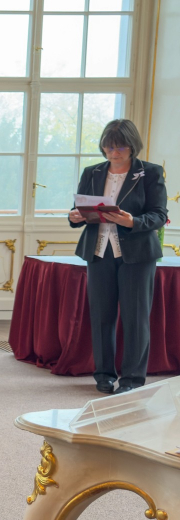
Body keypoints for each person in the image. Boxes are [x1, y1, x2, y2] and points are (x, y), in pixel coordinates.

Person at [68, 119, 168, 395]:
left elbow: (159, 215)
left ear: (132, 146)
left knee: (135, 318)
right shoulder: (92, 172)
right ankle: (103, 375)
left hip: (137, 254)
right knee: (102, 316)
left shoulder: (150, 173)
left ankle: (132, 380)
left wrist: (132, 221)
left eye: (120, 147)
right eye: (108, 147)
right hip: (99, 251)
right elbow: (79, 209)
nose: (114, 153)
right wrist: (74, 216)